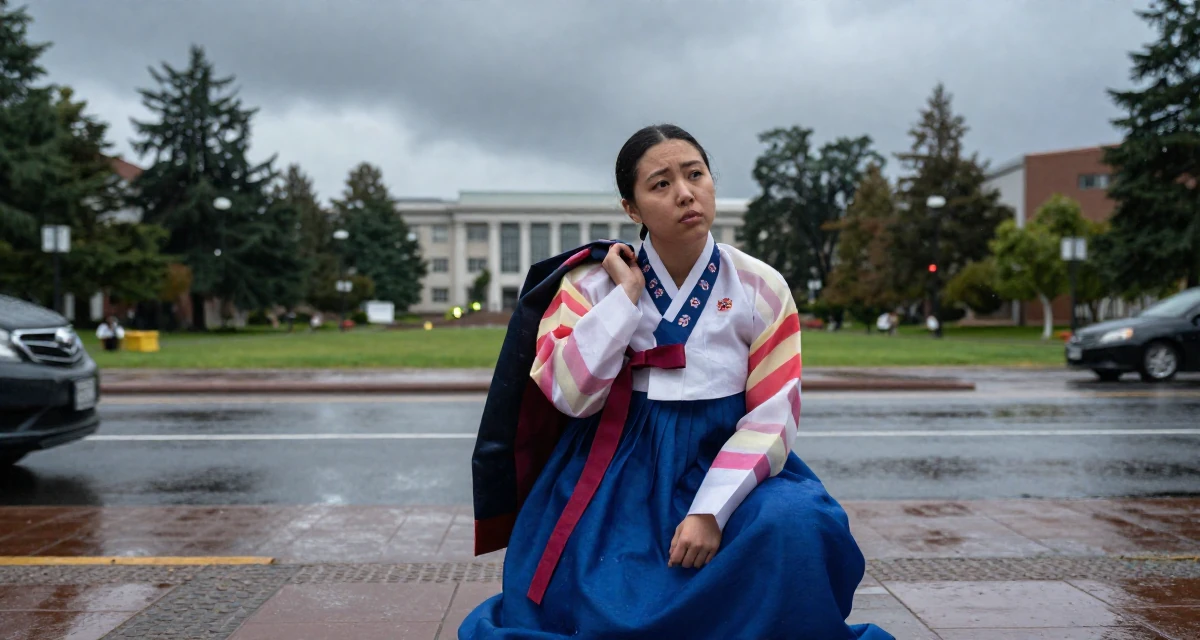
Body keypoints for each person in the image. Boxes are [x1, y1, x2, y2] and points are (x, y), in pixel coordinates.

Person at [461, 125, 891, 639]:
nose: (685, 193)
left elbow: (774, 413)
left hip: (726, 454)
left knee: (797, 524)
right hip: (617, 463)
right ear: (632, 209)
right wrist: (625, 301)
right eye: (660, 184)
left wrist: (710, 511)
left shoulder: (760, 285)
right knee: (608, 593)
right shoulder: (588, 286)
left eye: (695, 174)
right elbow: (571, 397)